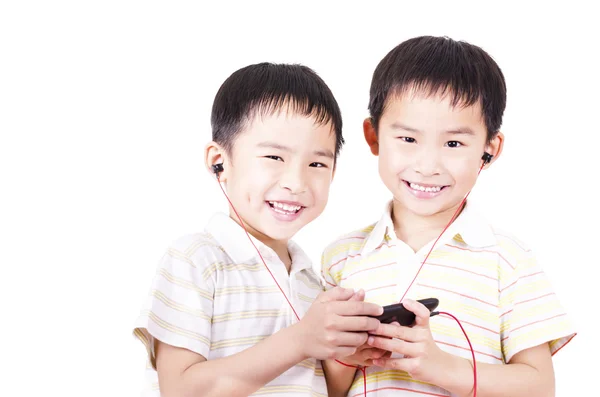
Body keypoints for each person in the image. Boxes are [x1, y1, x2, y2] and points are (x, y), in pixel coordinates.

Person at [321, 36, 576, 397]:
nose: (427, 166)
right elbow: (323, 388)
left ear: (490, 148)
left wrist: (442, 367)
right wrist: (346, 357)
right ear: (374, 136)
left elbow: (539, 386)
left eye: (453, 144)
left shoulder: (508, 259)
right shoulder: (341, 257)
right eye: (408, 139)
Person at [133, 62, 383, 397]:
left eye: (317, 164)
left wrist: (344, 359)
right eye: (274, 158)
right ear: (218, 162)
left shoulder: (314, 282)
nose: (296, 182)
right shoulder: (196, 260)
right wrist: (300, 340)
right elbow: (180, 389)